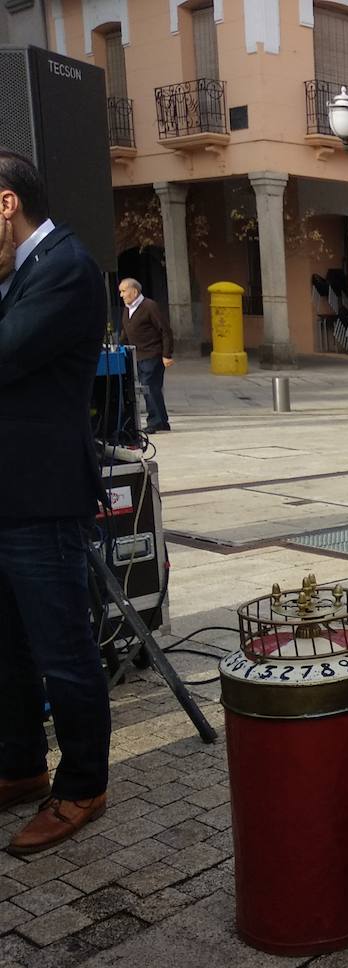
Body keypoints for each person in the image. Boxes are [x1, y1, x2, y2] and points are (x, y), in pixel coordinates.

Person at [0, 151, 112, 855]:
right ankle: (17, 765)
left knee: (63, 651)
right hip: (8, 495)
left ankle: (82, 784)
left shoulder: (67, 267)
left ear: (5, 203)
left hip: (40, 500)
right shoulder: (19, 274)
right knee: (6, 649)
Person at [118, 277, 175, 433]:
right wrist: (119, 347)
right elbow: (126, 331)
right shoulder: (127, 308)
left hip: (152, 354)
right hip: (138, 355)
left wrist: (166, 355)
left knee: (149, 387)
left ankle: (155, 421)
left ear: (134, 291)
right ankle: (162, 421)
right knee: (153, 388)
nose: (121, 295)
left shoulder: (149, 306)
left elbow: (165, 331)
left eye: (124, 291)